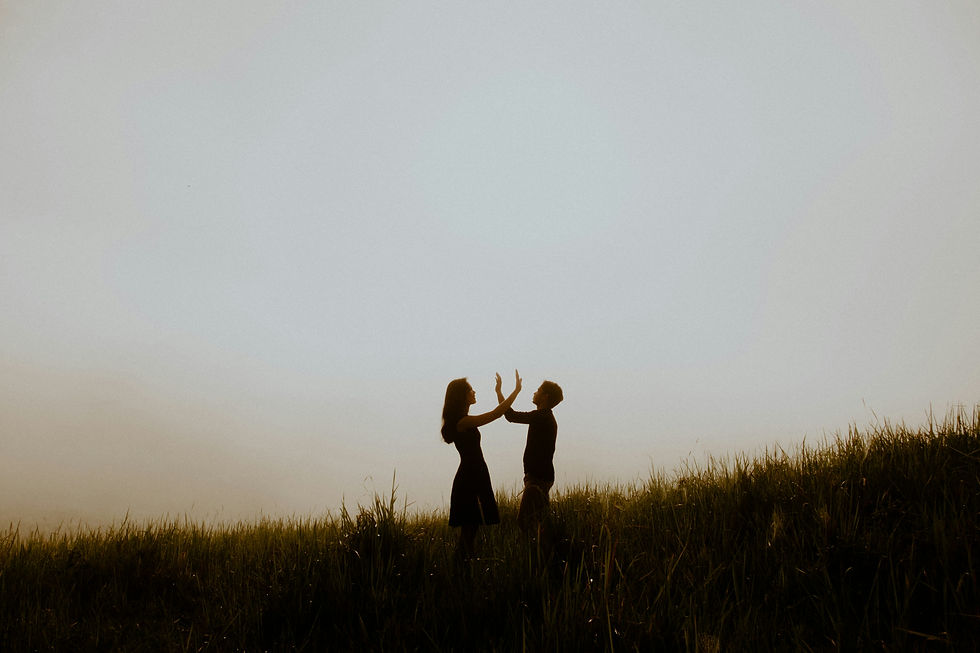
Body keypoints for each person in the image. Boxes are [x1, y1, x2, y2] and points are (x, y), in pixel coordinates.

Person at [442, 370, 522, 558]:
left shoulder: (463, 420)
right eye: (470, 390)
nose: (474, 392)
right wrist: (516, 391)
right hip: (469, 477)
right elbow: (496, 414)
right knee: (469, 529)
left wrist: (499, 391)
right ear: (462, 396)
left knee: (472, 529)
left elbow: (496, 413)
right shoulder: (463, 422)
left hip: (475, 473)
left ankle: (464, 566)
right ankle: (461, 567)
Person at [497, 379, 563, 536]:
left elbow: (510, 415)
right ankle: (543, 547)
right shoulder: (544, 417)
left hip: (538, 478)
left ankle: (535, 548)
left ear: (545, 396)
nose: (534, 392)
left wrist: (499, 392)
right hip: (541, 477)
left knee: (525, 521)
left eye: (538, 390)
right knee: (538, 520)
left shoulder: (542, 417)